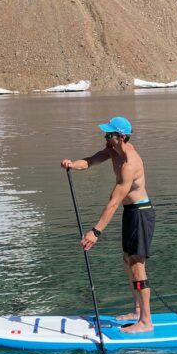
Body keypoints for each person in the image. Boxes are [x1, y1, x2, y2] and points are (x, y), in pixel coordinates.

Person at [60, 116, 155, 333]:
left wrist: (95, 232)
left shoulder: (130, 164)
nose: (105, 137)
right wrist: (73, 164)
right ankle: (138, 311)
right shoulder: (113, 151)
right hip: (131, 212)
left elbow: (114, 202)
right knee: (127, 260)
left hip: (141, 213)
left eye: (109, 134)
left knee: (137, 266)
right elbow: (91, 161)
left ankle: (146, 322)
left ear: (121, 137)